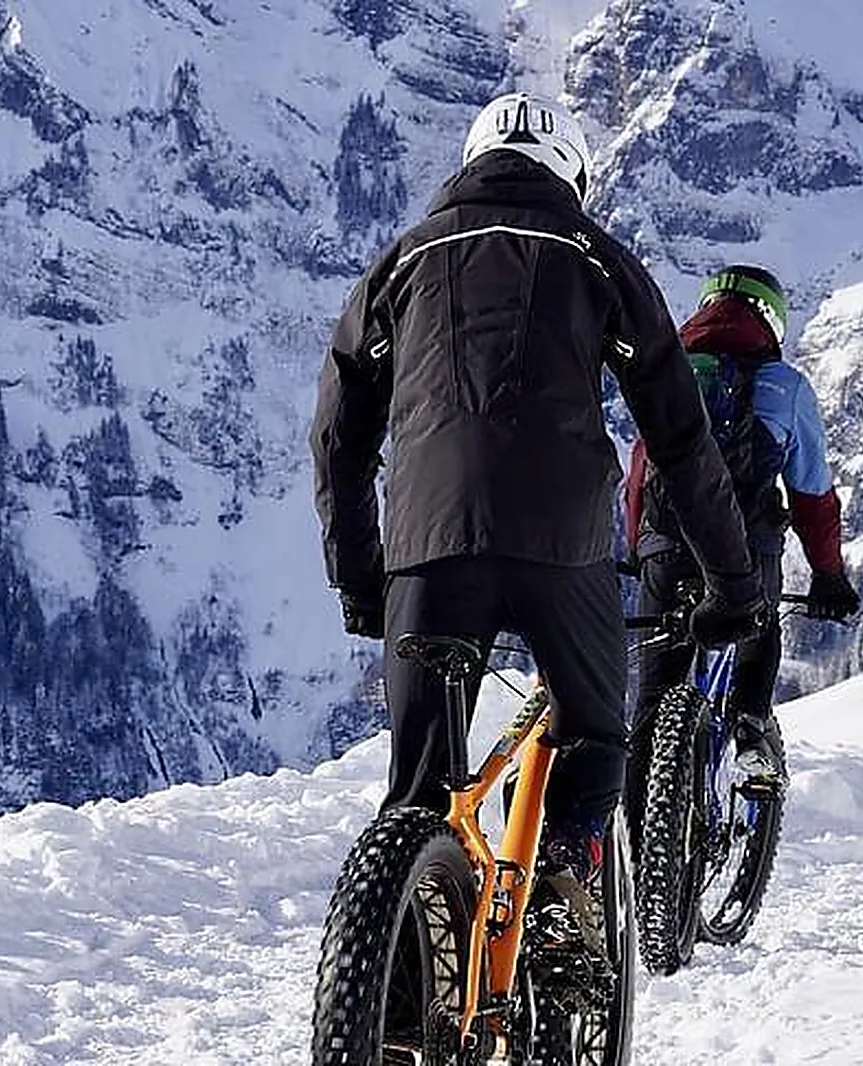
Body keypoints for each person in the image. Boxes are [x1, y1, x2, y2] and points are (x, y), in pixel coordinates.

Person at [308, 91, 765, 900]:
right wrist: (732, 582)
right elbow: (680, 441)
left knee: (418, 795)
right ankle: (565, 878)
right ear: (573, 175)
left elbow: (339, 438)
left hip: (427, 547)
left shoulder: (402, 261)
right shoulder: (600, 258)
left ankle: (399, 990)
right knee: (594, 733)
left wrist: (360, 576)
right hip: (561, 544)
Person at [624, 264, 862, 798]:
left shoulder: (669, 374)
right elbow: (812, 496)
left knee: (654, 700)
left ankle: (636, 852)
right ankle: (751, 729)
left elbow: (639, 474)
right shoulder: (785, 386)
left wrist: (642, 547)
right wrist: (828, 574)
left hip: (665, 548)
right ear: (771, 321)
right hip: (747, 550)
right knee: (759, 633)